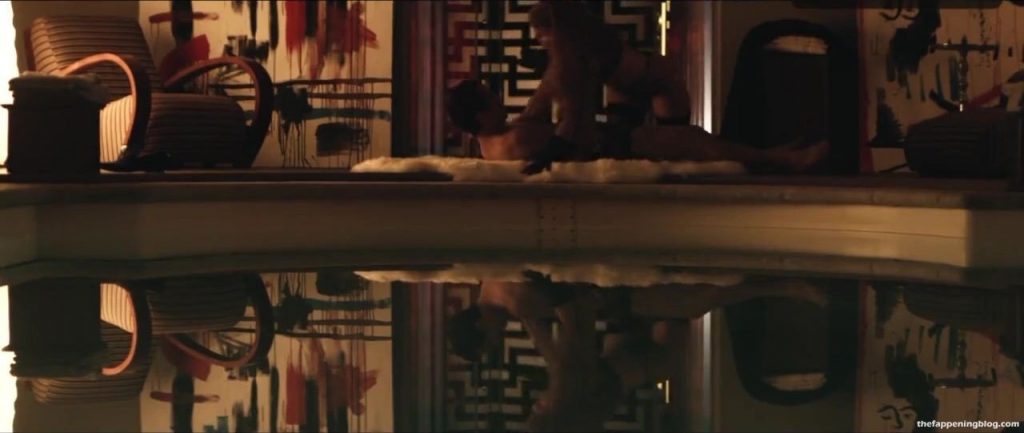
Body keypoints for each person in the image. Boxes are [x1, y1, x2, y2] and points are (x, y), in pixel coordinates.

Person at [446, 79, 828, 173]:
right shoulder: (515, 138)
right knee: (693, 139)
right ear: (480, 116)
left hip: (604, 140)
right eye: (490, 98)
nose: (498, 99)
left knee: (631, 85)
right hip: (615, 148)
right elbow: (564, 121)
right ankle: (781, 160)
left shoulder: (492, 145)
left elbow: (539, 107)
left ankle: (768, 153)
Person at [517, 1, 694, 173]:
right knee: (621, 145)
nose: (537, 40)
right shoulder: (570, 52)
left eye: (542, 34)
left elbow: (574, 114)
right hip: (626, 89)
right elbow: (543, 98)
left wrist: (552, 148)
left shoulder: (579, 52)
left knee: (676, 149)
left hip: (660, 84)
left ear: (559, 31)